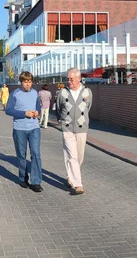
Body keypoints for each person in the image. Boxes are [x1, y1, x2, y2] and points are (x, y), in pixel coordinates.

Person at [5, 71, 43, 193]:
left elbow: (38, 106)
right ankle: (23, 178)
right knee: (22, 155)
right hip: (19, 128)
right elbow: (8, 110)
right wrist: (24, 113)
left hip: (34, 127)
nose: (28, 84)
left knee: (36, 153)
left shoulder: (35, 93)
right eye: (25, 82)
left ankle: (36, 181)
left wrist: (37, 112)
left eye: (30, 82)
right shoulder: (15, 94)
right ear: (21, 82)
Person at [57, 67, 93, 195]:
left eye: (71, 79)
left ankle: (70, 176)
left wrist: (82, 119)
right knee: (72, 155)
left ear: (79, 79)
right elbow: (59, 107)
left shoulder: (87, 92)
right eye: (68, 79)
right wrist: (61, 119)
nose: (69, 81)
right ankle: (78, 184)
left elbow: (88, 107)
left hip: (81, 127)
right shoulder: (63, 93)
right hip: (67, 127)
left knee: (79, 156)